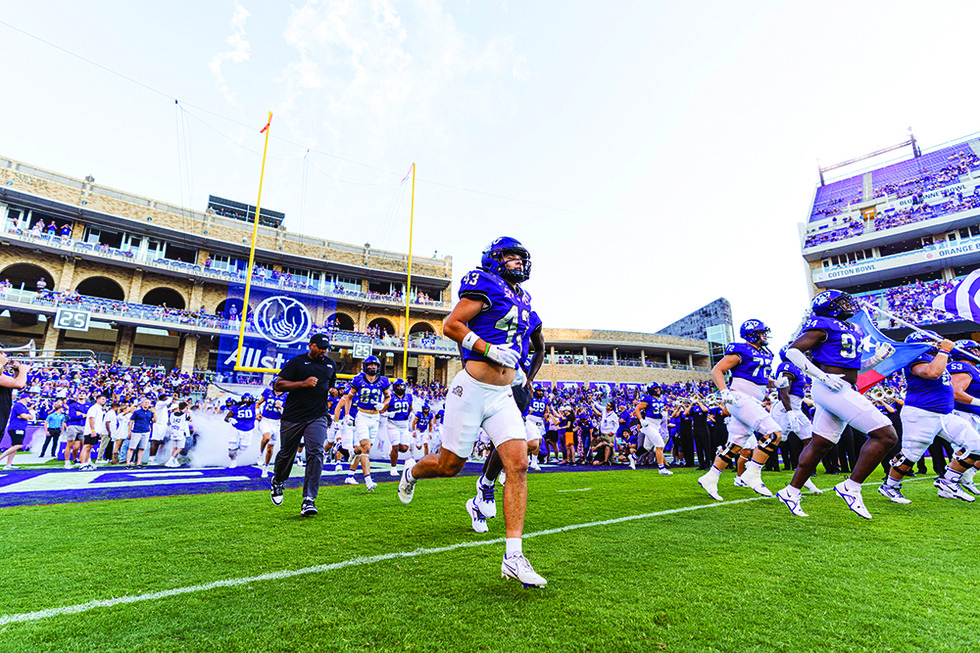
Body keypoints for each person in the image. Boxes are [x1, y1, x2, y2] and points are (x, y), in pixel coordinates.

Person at [396, 236, 546, 588]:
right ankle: (412, 472)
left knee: (518, 462)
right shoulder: (485, 282)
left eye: (521, 259)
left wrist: (523, 369)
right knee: (450, 465)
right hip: (471, 388)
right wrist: (487, 349)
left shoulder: (524, 299)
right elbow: (452, 325)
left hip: (503, 395)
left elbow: (526, 343)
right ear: (495, 259)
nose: (518, 264)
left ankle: (513, 556)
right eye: (511, 258)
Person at [775, 290, 898, 519]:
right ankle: (851, 487)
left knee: (820, 444)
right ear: (829, 306)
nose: (847, 304)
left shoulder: (854, 329)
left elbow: (853, 367)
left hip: (842, 386)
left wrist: (877, 358)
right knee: (886, 435)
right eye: (841, 301)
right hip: (831, 388)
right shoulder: (822, 323)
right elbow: (793, 352)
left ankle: (791, 491)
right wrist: (821, 377)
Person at [877, 332, 978, 504]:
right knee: (911, 454)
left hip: (944, 415)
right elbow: (932, 373)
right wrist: (945, 351)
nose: (937, 344)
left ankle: (948, 482)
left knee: (977, 445)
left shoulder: (936, 358)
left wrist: (943, 353)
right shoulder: (916, 358)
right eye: (933, 341)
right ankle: (890, 486)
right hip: (921, 413)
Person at [698, 319, 782, 501]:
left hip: (752, 398)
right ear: (752, 334)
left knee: (735, 444)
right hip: (739, 397)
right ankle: (753, 473)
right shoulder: (741, 350)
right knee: (774, 433)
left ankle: (710, 477)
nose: (764, 335)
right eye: (761, 332)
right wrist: (724, 391)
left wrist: (776, 383)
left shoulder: (766, 353)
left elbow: (760, 378)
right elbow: (717, 370)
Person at [270, 333, 338, 516]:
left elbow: (331, 383)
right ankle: (278, 480)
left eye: (326, 348)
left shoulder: (331, 365)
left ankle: (309, 499)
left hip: (318, 415)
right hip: (293, 415)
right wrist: (303, 383)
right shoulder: (297, 362)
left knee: (316, 452)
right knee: (287, 453)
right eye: (320, 347)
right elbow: (278, 385)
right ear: (311, 346)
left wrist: (332, 391)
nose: (324, 351)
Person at [770, 348, 822, 494]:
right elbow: (783, 391)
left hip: (796, 408)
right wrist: (790, 412)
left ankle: (805, 478)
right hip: (785, 408)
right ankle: (751, 466)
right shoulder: (787, 366)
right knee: (775, 441)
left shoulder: (797, 368)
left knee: (811, 441)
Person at [337, 355, 390, 492]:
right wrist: (347, 415)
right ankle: (368, 480)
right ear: (365, 366)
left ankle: (353, 456)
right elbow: (349, 397)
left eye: (375, 365)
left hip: (375, 418)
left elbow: (388, 396)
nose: (373, 367)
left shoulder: (383, 381)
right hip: (362, 416)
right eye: (370, 365)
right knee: (366, 447)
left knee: (362, 449)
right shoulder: (359, 379)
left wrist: (383, 404)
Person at [947, 339, 980, 494]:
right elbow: (956, 392)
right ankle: (948, 484)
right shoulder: (962, 367)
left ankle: (967, 477)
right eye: (975, 349)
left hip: (973, 414)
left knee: (973, 450)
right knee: (968, 449)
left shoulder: (973, 368)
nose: (978, 352)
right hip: (964, 413)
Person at [635, 383, 673, 475]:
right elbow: (637, 409)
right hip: (649, 424)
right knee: (659, 445)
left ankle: (632, 457)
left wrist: (664, 413)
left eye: (658, 388)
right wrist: (641, 420)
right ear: (651, 390)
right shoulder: (647, 399)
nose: (658, 390)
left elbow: (661, 409)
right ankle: (661, 468)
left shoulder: (662, 399)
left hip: (657, 424)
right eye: (656, 388)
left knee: (647, 447)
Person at [383, 378, 414, 476]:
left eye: (402, 386)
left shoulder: (409, 397)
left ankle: (392, 449)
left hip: (404, 425)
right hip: (393, 425)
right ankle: (393, 468)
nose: (400, 388)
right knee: (395, 446)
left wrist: (411, 414)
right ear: (395, 387)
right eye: (398, 386)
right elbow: (381, 411)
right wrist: (388, 414)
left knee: (404, 448)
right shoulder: (390, 397)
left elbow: (411, 408)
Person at [255, 383, 286, 477]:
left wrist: (280, 408)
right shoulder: (267, 392)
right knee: (267, 437)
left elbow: (287, 413)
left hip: (277, 423)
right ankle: (260, 454)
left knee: (270, 448)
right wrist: (257, 413)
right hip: (265, 419)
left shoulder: (286, 396)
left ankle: (265, 467)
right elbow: (258, 404)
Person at [2, 391, 33, 470]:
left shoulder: (23, 406)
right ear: (25, 398)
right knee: (18, 445)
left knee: (15, 446)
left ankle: (8, 464)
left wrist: (27, 416)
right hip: (17, 427)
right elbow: (24, 416)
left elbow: (30, 416)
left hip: (19, 427)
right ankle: (1, 457)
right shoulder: (19, 405)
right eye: (29, 397)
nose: (30, 399)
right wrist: (26, 416)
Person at [78, 395, 108, 471]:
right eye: (102, 399)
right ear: (97, 400)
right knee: (86, 447)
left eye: (105, 399)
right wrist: (92, 430)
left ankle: (87, 462)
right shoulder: (94, 408)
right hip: (90, 431)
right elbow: (91, 419)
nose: (104, 400)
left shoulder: (100, 409)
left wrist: (99, 431)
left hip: (96, 430)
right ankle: (83, 464)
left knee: (90, 447)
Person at [225, 394, 257, 463]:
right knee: (232, 445)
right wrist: (230, 419)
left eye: (247, 399)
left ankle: (238, 458)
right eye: (244, 399)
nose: (245, 401)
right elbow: (226, 418)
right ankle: (233, 461)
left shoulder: (254, 406)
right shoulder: (237, 407)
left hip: (248, 430)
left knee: (244, 448)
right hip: (236, 428)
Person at [126, 398, 155, 468]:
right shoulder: (137, 412)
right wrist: (129, 432)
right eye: (145, 402)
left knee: (142, 448)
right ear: (142, 404)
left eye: (148, 402)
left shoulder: (150, 413)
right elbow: (131, 422)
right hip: (137, 431)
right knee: (132, 447)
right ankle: (128, 463)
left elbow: (154, 420)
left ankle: (138, 463)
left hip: (145, 431)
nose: (147, 404)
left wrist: (154, 413)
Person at [165, 401, 192, 468]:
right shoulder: (185, 415)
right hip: (181, 432)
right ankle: (171, 460)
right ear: (185, 408)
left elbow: (170, 422)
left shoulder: (172, 414)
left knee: (175, 448)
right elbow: (190, 420)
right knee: (180, 448)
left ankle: (174, 461)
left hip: (174, 431)